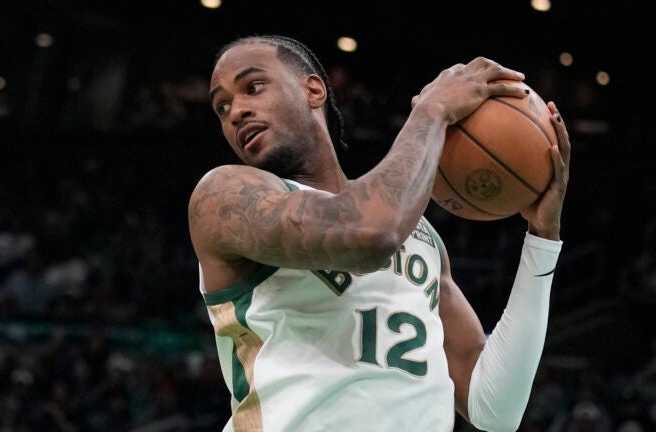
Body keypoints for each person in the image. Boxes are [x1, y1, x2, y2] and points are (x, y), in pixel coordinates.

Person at [188, 35, 571, 432]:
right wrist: (433, 111)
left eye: (253, 87)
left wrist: (542, 239)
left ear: (313, 89)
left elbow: (494, 407)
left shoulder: (421, 236)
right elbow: (370, 233)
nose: (236, 112)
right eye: (222, 107)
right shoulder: (223, 196)